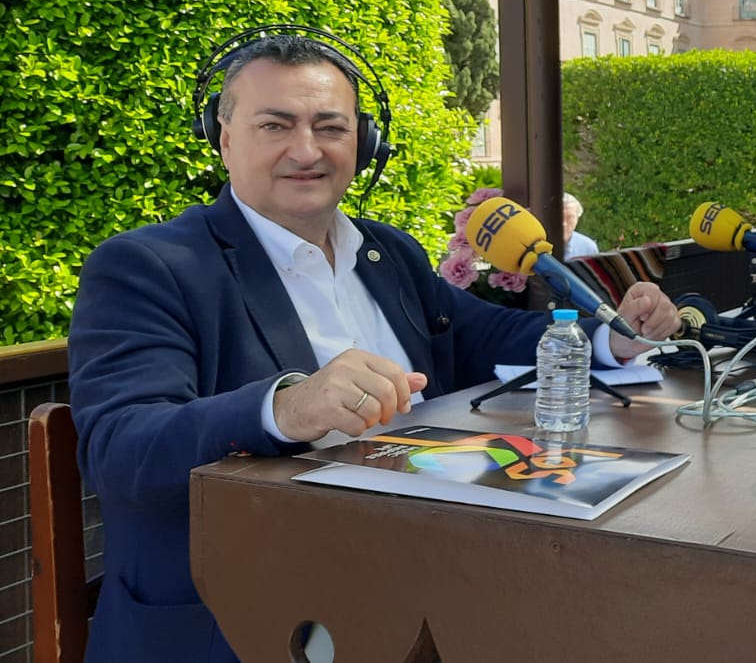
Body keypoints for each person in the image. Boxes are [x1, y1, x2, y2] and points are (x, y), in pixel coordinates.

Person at [67, 33, 682, 662]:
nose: (306, 150)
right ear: (224, 140)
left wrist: (612, 336)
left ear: (363, 144)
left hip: (422, 584)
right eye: (275, 125)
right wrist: (284, 409)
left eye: (329, 126)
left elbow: (484, 335)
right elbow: (120, 451)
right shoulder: (148, 266)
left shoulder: (388, 253)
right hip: (241, 620)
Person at [563, 191, 601, 259]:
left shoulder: (588, 248)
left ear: (577, 218)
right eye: (558, 217)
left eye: (570, 217)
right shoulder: (539, 245)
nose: (564, 223)